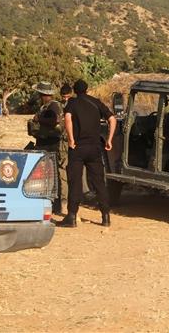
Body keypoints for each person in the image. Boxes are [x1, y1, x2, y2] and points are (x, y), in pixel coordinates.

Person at [59, 79, 116, 228]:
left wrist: (71, 139)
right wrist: (109, 140)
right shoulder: (96, 102)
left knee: (75, 181)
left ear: (75, 91)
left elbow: (68, 119)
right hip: (95, 148)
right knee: (99, 182)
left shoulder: (72, 103)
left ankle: (72, 216)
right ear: (87, 89)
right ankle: (105, 216)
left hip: (77, 148)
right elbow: (112, 119)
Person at [29, 82, 68, 215]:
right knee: (48, 175)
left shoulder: (53, 106)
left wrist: (38, 119)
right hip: (45, 144)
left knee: (57, 174)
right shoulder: (45, 106)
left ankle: (61, 203)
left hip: (53, 145)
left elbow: (55, 120)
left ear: (43, 94)